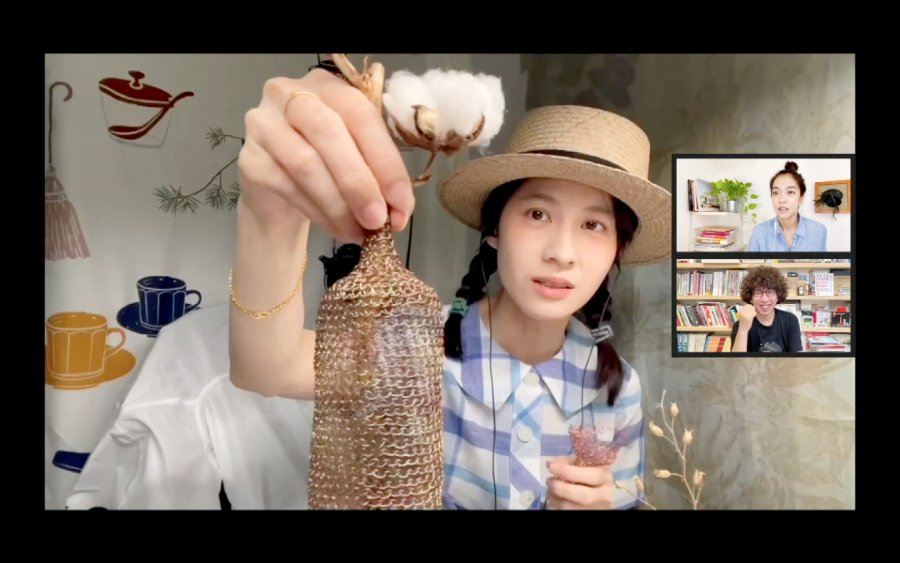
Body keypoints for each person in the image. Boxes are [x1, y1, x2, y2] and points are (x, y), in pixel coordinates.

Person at [228, 58, 671, 510]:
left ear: (616, 250)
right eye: (537, 214)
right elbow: (267, 368)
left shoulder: (618, 389)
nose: (562, 252)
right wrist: (270, 212)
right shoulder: (416, 346)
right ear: (494, 229)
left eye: (594, 225)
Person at [747, 161, 827, 252]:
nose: (782, 200)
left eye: (790, 192)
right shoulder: (759, 232)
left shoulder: (818, 231)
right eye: (776, 192)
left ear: (801, 198)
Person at [730, 265, 802, 353]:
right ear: (750, 297)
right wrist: (743, 330)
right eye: (758, 292)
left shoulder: (790, 320)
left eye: (770, 292)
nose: (764, 299)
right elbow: (737, 361)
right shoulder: (741, 324)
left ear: (778, 296)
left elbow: (795, 358)